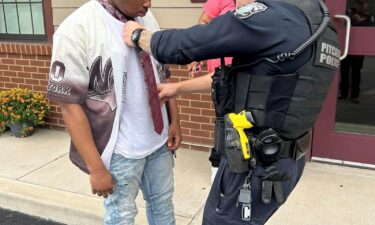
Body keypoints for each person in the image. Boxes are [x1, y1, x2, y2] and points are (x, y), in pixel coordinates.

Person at [123, 0, 339, 224]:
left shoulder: (271, 18)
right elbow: (250, 80)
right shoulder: (319, 22)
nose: (237, 5)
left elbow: (183, 45)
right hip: (286, 161)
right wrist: (177, 88)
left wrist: (139, 36)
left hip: (256, 166)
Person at [46, 0, 182, 224]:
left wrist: (174, 121)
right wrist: (96, 168)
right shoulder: (77, 28)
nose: (149, 2)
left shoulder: (146, 17)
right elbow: (70, 105)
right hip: (119, 150)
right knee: (121, 218)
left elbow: (163, 74)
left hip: (159, 142)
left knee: (163, 206)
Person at [188, 0, 236, 184]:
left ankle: (237, 166)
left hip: (249, 70)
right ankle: (217, 167)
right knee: (224, 121)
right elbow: (204, 23)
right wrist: (198, 54)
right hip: (222, 72)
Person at [339, 0, 374, 104]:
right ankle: (343, 93)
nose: (361, 6)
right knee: (344, 72)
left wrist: (361, 22)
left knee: (356, 73)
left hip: (358, 50)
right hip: (347, 47)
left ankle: (355, 95)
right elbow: (342, 21)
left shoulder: (369, 18)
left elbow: (369, 31)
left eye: (363, 3)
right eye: (359, 3)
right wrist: (351, 16)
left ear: (366, 5)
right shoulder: (350, 13)